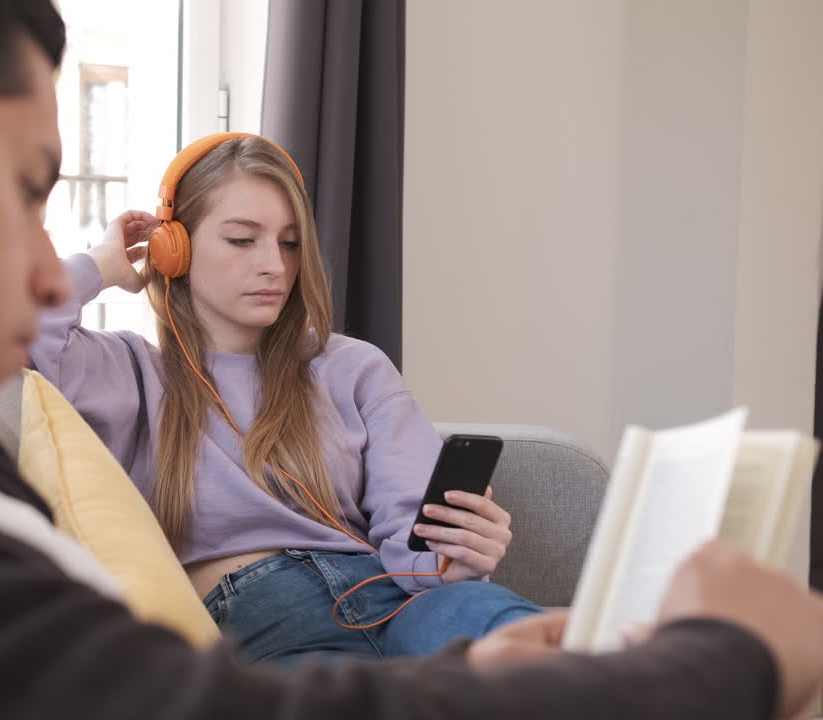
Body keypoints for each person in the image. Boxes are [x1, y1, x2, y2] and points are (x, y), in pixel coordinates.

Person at [0, 2, 823, 719]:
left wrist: (467, 640)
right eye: (24, 188)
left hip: (379, 604)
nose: (45, 270)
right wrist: (725, 661)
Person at [30, 132, 541, 663]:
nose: (274, 264)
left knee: (529, 643)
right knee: (346, 698)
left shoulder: (353, 367)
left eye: (290, 243)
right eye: (242, 239)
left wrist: (455, 556)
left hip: (395, 598)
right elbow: (12, 340)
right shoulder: (128, 371)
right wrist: (100, 263)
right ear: (173, 248)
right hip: (265, 615)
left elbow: (414, 540)